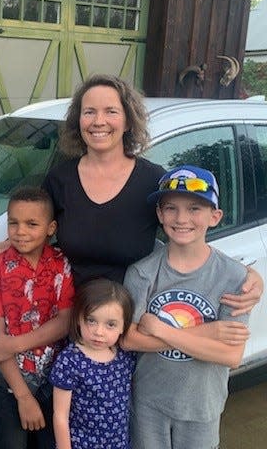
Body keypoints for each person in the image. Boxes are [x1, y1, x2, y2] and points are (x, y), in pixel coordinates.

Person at [0, 75, 261, 349]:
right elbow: (34, 229)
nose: (99, 121)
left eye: (111, 111)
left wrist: (248, 273)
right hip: (68, 325)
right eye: (89, 112)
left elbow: (186, 233)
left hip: (130, 330)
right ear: (79, 121)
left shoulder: (152, 181)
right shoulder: (59, 180)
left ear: (127, 121)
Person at [122, 165, 248, 449]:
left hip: (201, 406)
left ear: (215, 216)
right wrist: (209, 332)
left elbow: (230, 355)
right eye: (170, 208)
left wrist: (159, 329)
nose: (181, 219)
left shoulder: (234, 277)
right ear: (159, 214)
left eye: (194, 208)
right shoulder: (142, 273)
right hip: (149, 403)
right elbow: (129, 339)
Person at [0, 187, 75, 449]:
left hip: (55, 379)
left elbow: (65, 321)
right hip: (10, 383)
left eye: (32, 224)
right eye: (14, 223)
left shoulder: (61, 263)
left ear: (50, 227)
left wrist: (17, 343)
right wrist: (23, 396)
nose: (20, 231)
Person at [50, 278, 136, 449]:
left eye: (110, 324)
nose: (99, 332)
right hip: (81, 444)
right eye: (91, 320)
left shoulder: (125, 356)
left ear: (123, 327)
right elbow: (60, 415)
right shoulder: (70, 360)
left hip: (118, 444)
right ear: (78, 319)